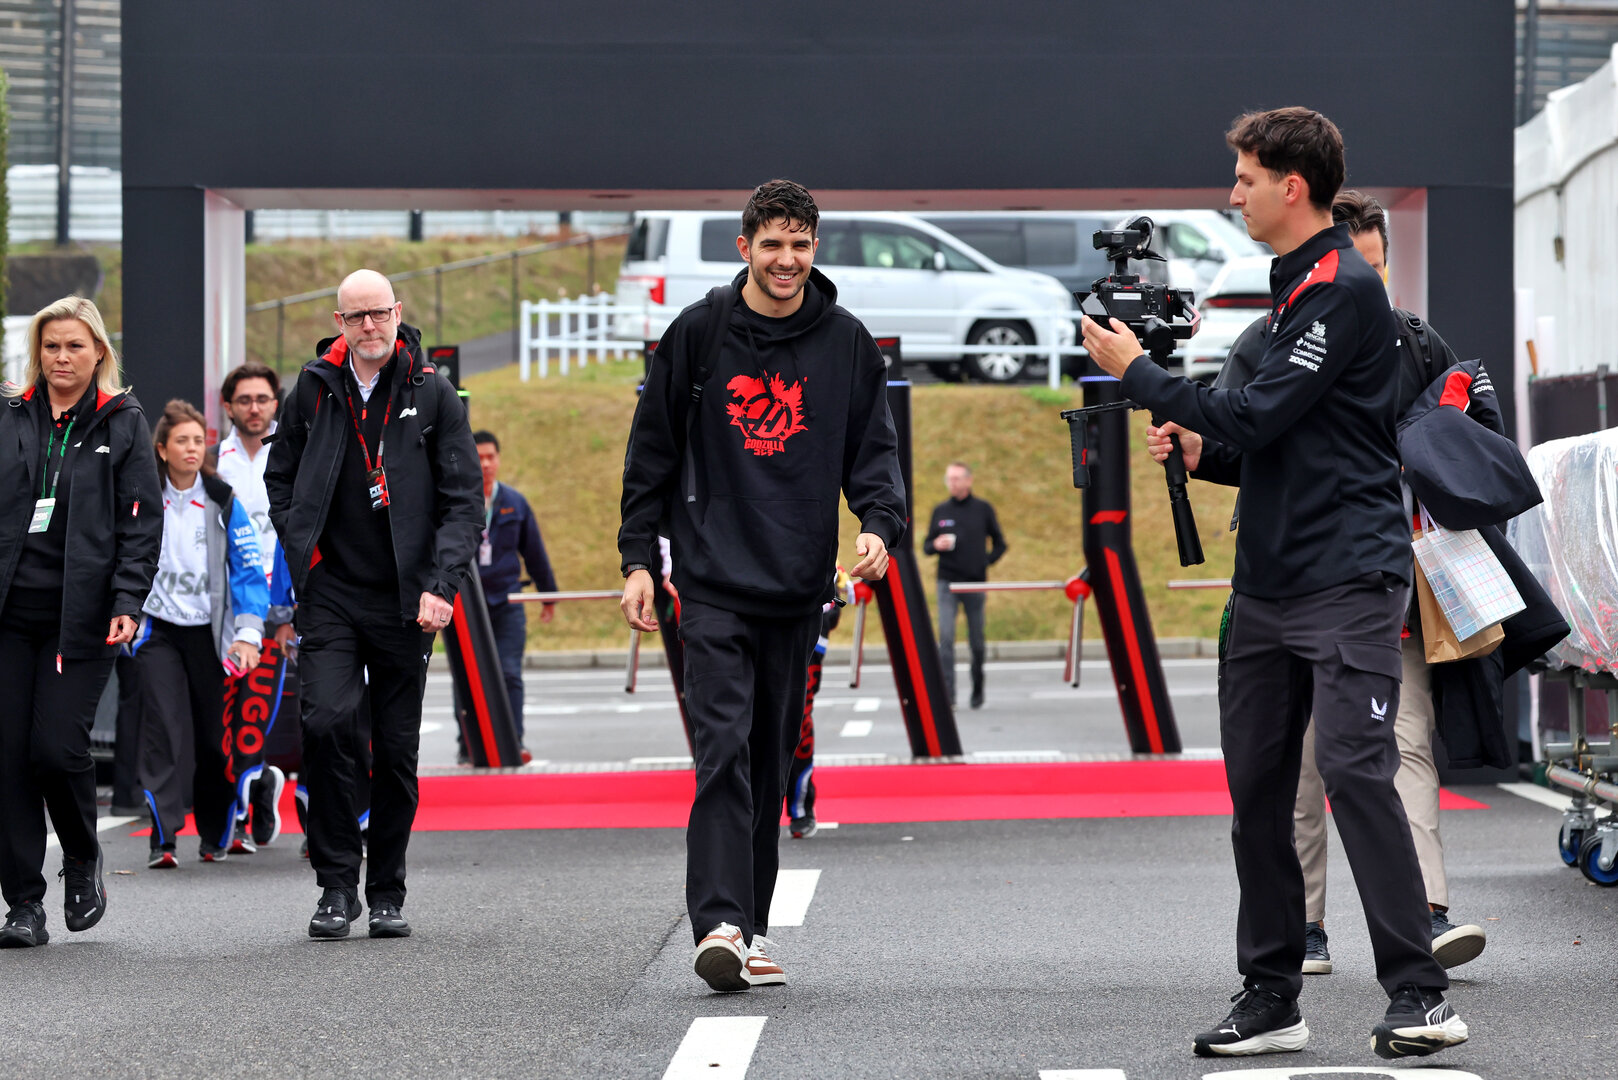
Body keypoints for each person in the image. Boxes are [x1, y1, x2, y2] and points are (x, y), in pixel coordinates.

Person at [1081, 108, 1468, 1059]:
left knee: (1352, 771)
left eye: (1247, 178)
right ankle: (1271, 994)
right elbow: (1274, 441)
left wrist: (1141, 375)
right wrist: (1200, 442)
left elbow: (1258, 413)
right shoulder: (1292, 284)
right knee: (1256, 789)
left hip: (1348, 576)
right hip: (1267, 583)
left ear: (1293, 185)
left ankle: (1420, 994)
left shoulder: (1344, 285)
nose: (1235, 193)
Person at [618, 179, 906, 992]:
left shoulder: (848, 344)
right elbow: (651, 457)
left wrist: (878, 527)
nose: (787, 260)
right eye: (773, 244)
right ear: (744, 247)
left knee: (770, 761)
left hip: (796, 585)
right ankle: (717, 921)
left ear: (816, 250)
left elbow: (874, 457)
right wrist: (638, 559)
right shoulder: (698, 333)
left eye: (801, 245)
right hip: (708, 581)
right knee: (721, 755)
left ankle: (748, 928)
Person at [1273, 192, 1486, 977]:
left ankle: (1428, 913)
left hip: (1397, 577)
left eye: (1376, 263)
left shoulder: (1421, 344)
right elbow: (1239, 433)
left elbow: (1477, 447)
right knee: (1301, 756)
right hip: (1298, 574)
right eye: (1353, 264)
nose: (1365, 281)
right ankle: (1307, 927)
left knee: (1406, 743)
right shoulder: (1281, 333)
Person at [266, 268, 481, 940]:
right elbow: (281, 480)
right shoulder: (312, 389)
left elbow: (463, 500)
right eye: (355, 316)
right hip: (332, 594)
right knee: (327, 725)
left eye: (379, 314)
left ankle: (386, 890)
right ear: (339, 323)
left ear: (397, 313)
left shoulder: (433, 392)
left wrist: (439, 585)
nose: (369, 326)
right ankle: (336, 886)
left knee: (394, 752)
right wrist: (307, 555)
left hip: (407, 600)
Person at [0, 296, 161, 947]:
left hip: (84, 618)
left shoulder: (121, 423)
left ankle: (83, 857)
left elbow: (142, 524)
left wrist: (127, 602)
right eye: (51, 346)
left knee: (56, 749)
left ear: (98, 352)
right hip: (10, 616)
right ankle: (24, 905)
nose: (61, 358)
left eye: (74, 346)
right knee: (8, 760)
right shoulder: (12, 415)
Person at [133, 400, 269, 867]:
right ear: (162, 448)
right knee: (164, 732)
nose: (192, 449)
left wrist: (248, 634)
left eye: (197, 441)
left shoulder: (223, 499)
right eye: (181, 441)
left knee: (213, 740)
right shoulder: (141, 497)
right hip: (158, 632)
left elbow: (251, 573)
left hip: (211, 637)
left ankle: (215, 833)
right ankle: (163, 838)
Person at [211, 361, 296, 851]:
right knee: (225, 714)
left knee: (261, 711)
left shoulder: (293, 452)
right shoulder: (212, 463)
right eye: (244, 400)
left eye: (262, 399)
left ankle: (258, 789)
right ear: (228, 407)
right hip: (230, 607)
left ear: (275, 403)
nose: (254, 408)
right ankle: (248, 795)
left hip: (281, 604)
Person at [457, 430, 557, 761]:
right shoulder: (456, 501)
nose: (485, 464)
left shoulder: (514, 502)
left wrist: (549, 595)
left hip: (507, 602)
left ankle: (514, 741)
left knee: (510, 671)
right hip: (468, 605)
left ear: (498, 460)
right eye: (479, 457)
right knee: (468, 676)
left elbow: (535, 553)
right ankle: (468, 744)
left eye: (491, 457)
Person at [923, 462, 1007, 708]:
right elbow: (927, 546)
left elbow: (1000, 543)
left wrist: (984, 562)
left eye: (958, 479)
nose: (953, 483)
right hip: (947, 583)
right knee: (946, 639)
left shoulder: (982, 509)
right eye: (949, 479)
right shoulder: (941, 510)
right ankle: (948, 693)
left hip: (974, 583)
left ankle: (978, 687)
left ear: (969, 481)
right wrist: (935, 545)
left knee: (977, 641)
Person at [788, 567, 854, 839]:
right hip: (746, 608)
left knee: (798, 716)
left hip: (809, 615)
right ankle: (748, 807)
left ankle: (801, 807)